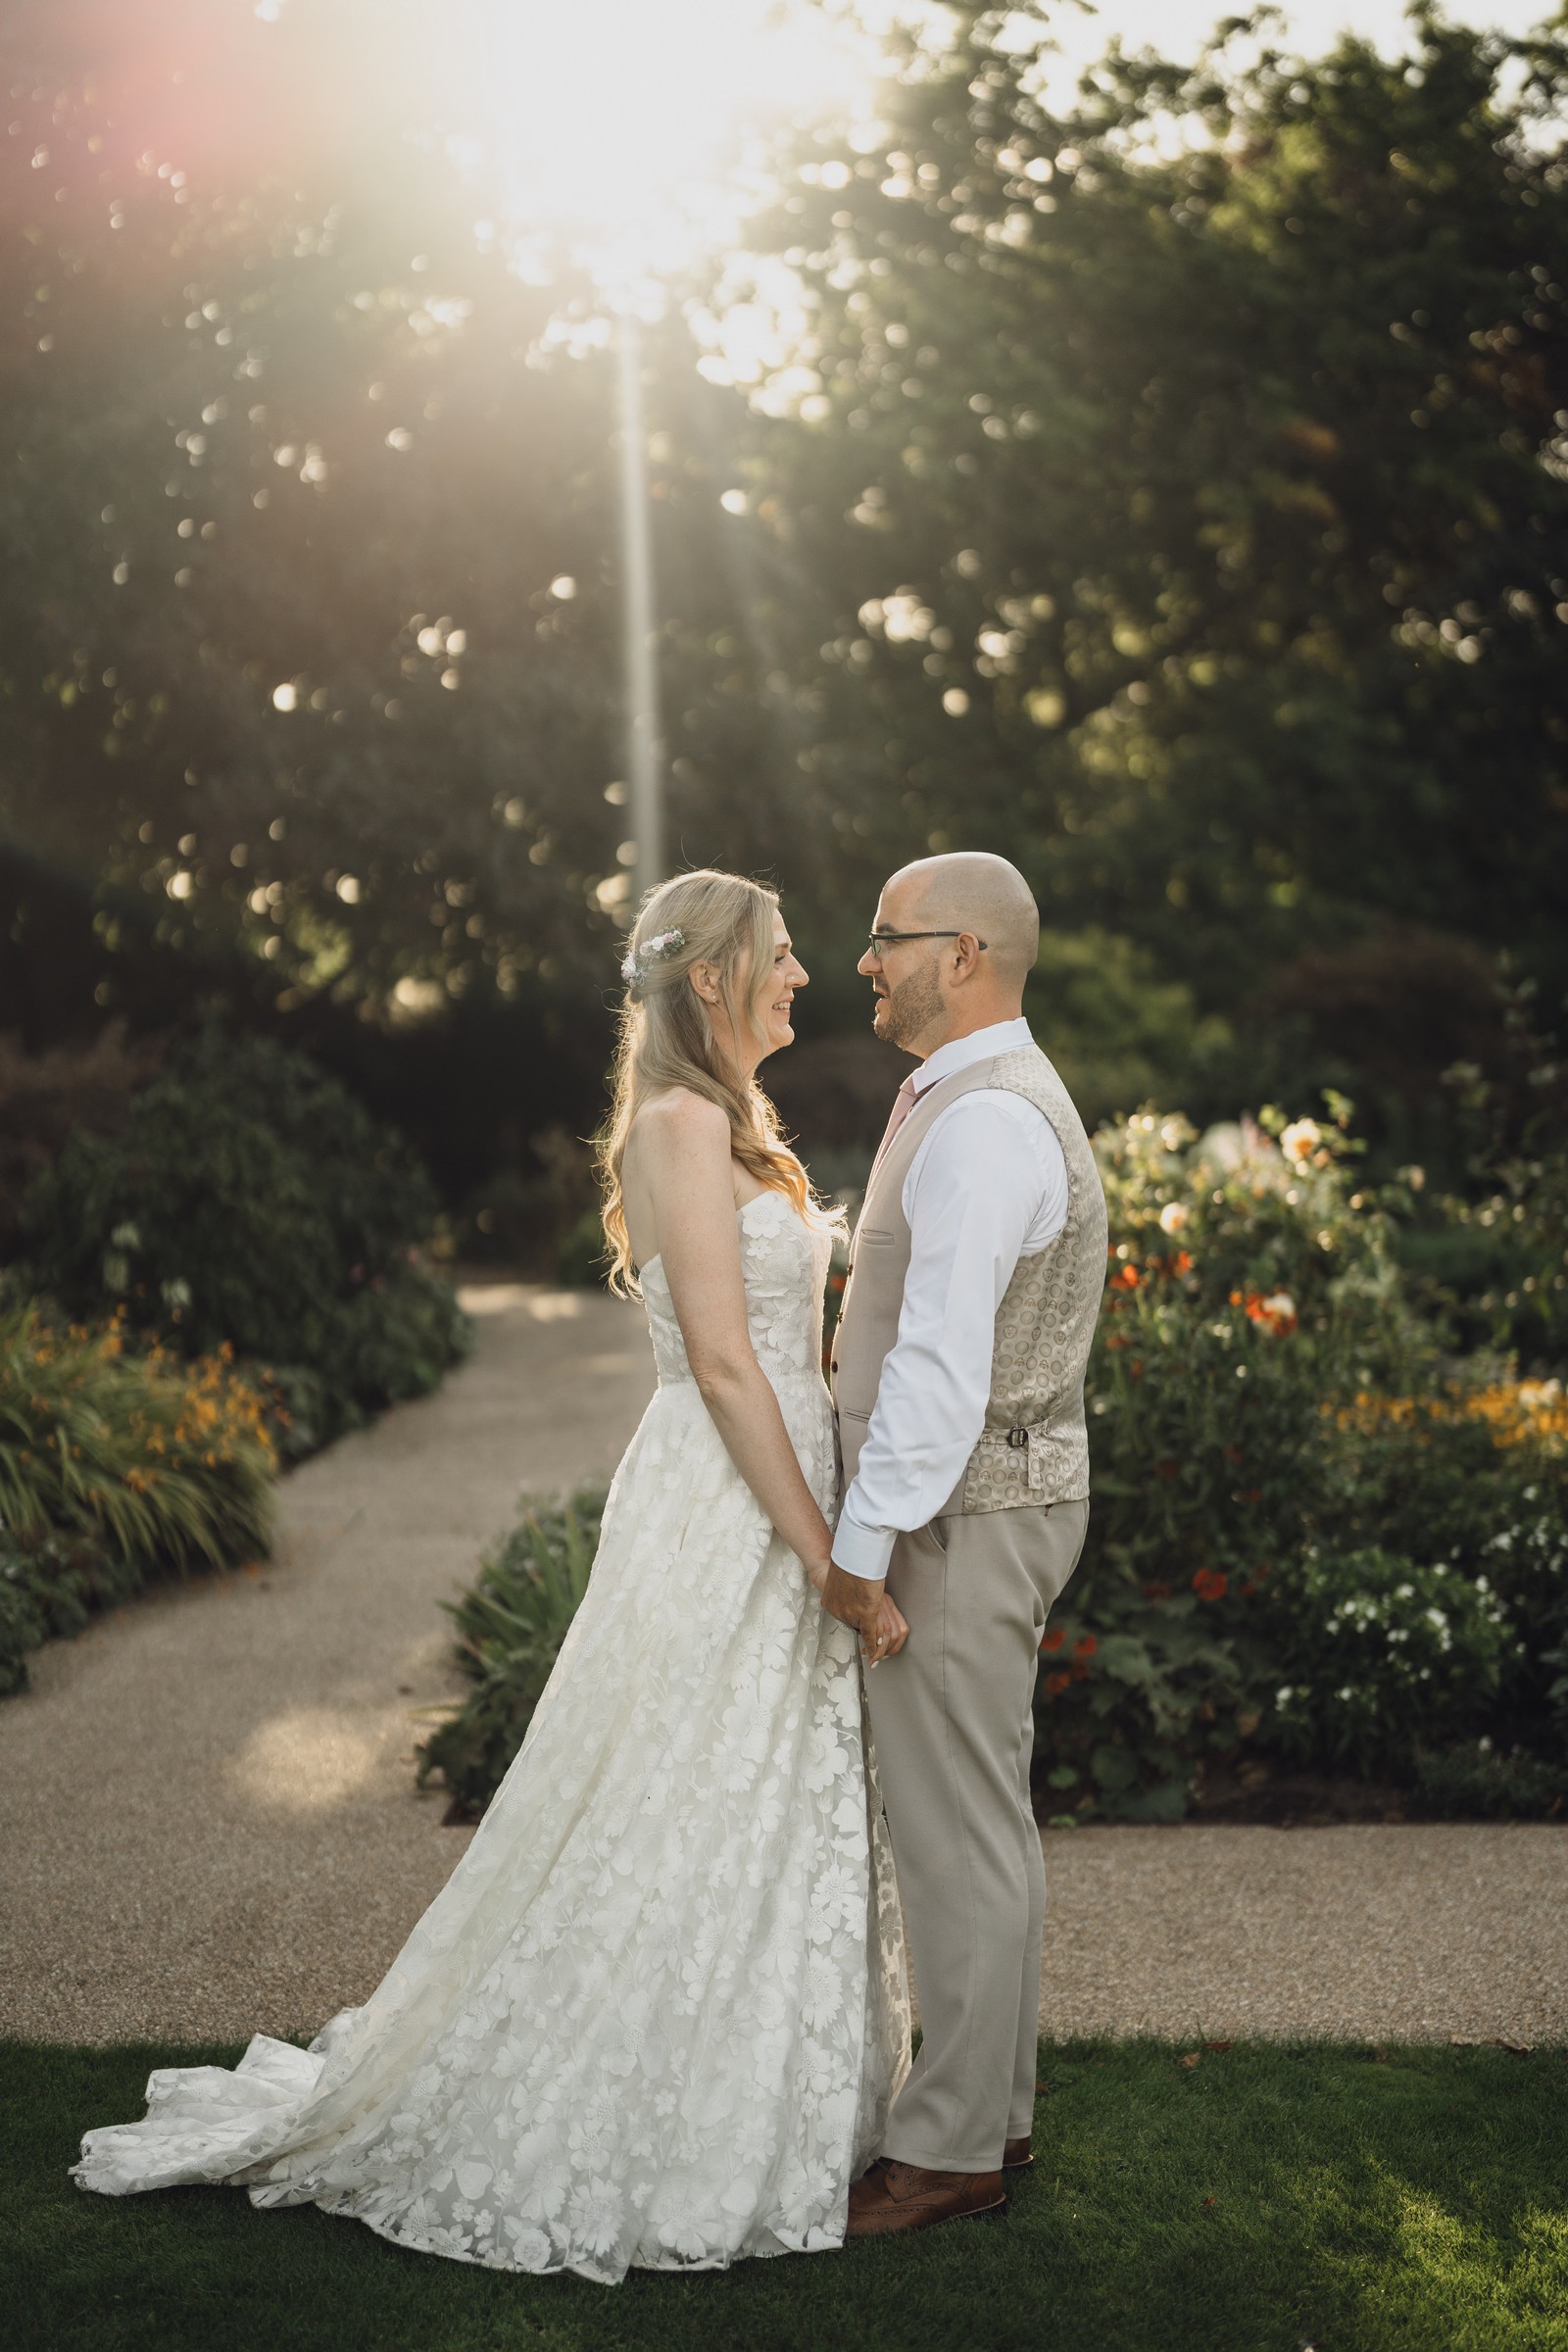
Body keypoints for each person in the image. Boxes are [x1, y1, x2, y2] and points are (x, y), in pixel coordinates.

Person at [73, 869, 910, 2284]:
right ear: (708, 980)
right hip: (731, 1507)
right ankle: (652, 2113)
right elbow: (719, 1363)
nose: (805, 977)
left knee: (759, 1794)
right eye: (778, 956)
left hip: (783, 1482)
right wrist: (824, 1558)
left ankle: (770, 2093)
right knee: (682, 1795)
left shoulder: (734, 1122)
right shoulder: (679, 1120)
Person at [820, 851, 1108, 2237]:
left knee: (952, 1838)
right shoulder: (965, 1100)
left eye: (889, 937)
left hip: (965, 1517)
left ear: (967, 955)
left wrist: (861, 1550)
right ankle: (994, 2118)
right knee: (983, 1825)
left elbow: (941, 1370)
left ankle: (946, 2156)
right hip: (990, 1503)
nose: (865, 959)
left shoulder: (989, 1125)